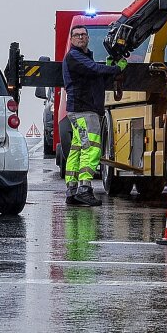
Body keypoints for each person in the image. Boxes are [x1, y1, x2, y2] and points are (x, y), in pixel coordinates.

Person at [62, 25, 126, 206]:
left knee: (77, 149)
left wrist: (109, 68)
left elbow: (97, 75)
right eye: (77, 35)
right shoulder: (75, 56)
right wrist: (116, 69)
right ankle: (84, 189)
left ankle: (72, 190)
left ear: (88, 38)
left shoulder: (82, 58)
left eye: (83, 34)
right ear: (72, 39)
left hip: (81, 111)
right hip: (84, 111)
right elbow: (94, 70)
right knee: (91, 148)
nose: (81, 37)